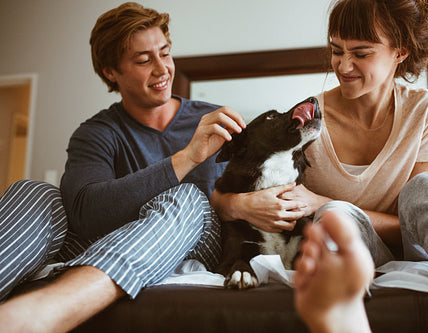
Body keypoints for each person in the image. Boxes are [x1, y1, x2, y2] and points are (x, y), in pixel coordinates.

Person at [212, 0, 428, 332]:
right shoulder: (309, 122)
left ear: (400, 53)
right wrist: (240, 203)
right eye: (337, 51)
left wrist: (322, 202)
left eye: (361, 54)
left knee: (427, 189)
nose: (344, 65)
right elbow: (226, 195)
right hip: (347, 245)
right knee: (335, 218)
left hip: (409, 248)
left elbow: (417, 225)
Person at [0, 2, 249, 332]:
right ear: (110, 72)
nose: (162, 69)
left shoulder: (214, 119)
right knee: (32, 190)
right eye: (144, 60)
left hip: (195, 243)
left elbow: (255, 191)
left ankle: (54, 309)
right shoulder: (95, 133)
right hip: (107, 241)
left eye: (165, 53)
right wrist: (188, 156)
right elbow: (85, 215)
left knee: (187, 197)